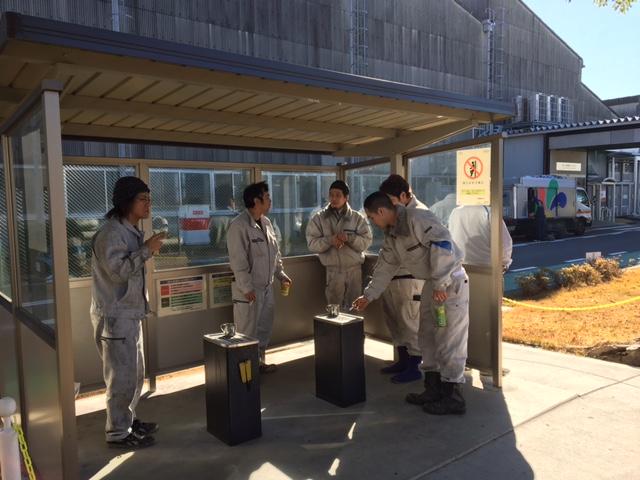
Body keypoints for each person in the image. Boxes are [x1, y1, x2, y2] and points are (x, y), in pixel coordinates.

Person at [353, 192, 469, 415]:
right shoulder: (392, 235)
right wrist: (368, 295)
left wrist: (440, 284)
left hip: (449, 283)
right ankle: (433, 388)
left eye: (372, 217)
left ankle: (453, 396)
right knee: (426, 336)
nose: (372, 222)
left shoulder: (418, 218)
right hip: (431, 284)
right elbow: (385, 267)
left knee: (449, 339)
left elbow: (443, 245)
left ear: (382, 211)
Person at [90, 176, 166, 449]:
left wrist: (145, 248)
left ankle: (127, 421)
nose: (148, 204)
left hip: (129, 315)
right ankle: (118, 433)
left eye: (149, 199)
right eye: (142, 199)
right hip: (115, 317)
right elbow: (118, 272)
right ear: (126, 201)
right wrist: (147, 250)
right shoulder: (111, 233)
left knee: (134, 374)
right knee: (120, 378)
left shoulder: (130, 230)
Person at [227, 182, 292, 373]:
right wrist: (246, 288)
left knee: (264, 329)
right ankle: (244, 374)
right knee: (246, 333)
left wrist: (280, 274)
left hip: (266, 287)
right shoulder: (238, 226)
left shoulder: (267, 223)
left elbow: (274, 254)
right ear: (256, 201)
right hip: (249, 290)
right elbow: (238, 260)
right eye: (267, 197)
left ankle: (258, 364)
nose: (270, 200)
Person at [376, 174, 427, 383]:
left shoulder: (419, 215)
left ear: (404, 195)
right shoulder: (397, 215)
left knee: (409, 321)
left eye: (391, 200)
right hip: (394, 277)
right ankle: (403, 360)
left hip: (410, 278)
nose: (388, 205)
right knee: (395, 321)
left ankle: (414, 366)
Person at [306, 180, 372, 310]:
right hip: (333, 271)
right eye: (331, 195)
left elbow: (366, 242)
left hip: (354, 271)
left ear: (346, 197)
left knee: (354, 310)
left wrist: (349, 238)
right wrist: (329, 240)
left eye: (338, 195)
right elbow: (312, 244)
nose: (333, 198)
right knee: (334, 310)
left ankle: (353, 324)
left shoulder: (357, 218)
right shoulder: (319, 218)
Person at [448, 205, 513, 271]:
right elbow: (505, 243)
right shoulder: (489, 212)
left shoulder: (455, 211)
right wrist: (504, 264)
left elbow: (450, 236)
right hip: (485, 269)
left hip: (459, 267)